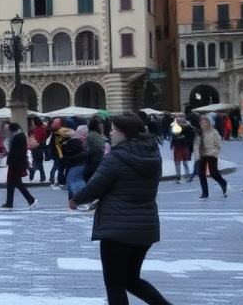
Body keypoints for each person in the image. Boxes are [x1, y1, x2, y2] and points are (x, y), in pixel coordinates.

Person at [69, 113, 171, 305]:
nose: (110, 133)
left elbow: (96, 185)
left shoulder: (116, 157)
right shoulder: (153, 154)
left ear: (125, 133)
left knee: (114, 284)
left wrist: (76, 199)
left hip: (118, 228)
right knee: (130, 279)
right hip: (145, 226)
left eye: (114, 130)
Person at [0, 123, 37, 211]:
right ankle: (9, 202)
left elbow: (15, 152)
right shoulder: (21, 135)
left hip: (15, 163)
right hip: (16, 163)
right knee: (11, 183)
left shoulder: (16, 137)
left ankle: (31, 199)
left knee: (16, 182)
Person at [195, 114, 228, 201]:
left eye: (206, 122)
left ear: (210, 123)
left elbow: (219, 145)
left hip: (212, 154)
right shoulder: (199, 133)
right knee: (201, 174)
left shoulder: (214, 132)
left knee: (213, 173)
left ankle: (223, 182)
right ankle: (205, 193)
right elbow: (196, 145)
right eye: (202, 123)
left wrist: (213, 153)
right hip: (202, 154)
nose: (204, 124)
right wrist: (197, 156)